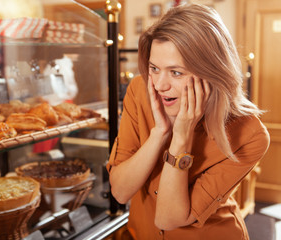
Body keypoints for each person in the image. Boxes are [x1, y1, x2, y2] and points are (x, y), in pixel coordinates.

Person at [107, 3, 270, 240]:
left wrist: (181, 138)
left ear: (212, 72)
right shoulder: (140, 91)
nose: (160, 85)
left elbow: (168, 218)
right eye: (154, 68)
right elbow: (120, 193)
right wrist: (159, 133)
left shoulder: (249, 134)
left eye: (176, 72)